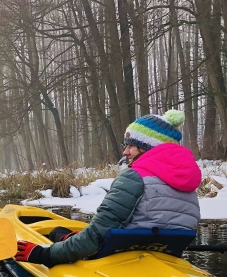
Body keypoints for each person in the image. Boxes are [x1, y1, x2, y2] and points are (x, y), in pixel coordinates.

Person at [15, 109, 202, 267]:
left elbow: (94, 238)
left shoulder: (134, 177)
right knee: (64, 234)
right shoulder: (188, 182)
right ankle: (67, 238)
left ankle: (63, 239)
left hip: (119, 260)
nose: (125, 152)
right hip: (165, 259)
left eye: (131, 146)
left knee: (57, 232)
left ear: (147, 148)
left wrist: (42, 255)